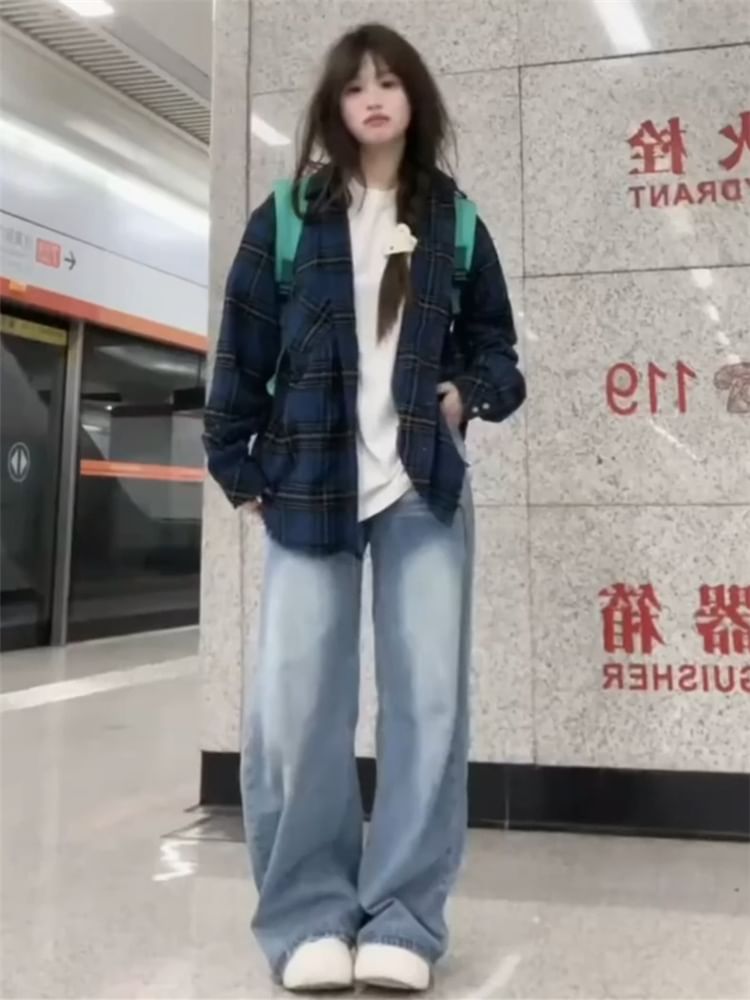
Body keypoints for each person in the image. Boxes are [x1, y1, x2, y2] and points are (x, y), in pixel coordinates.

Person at [203, 22, 525, 994]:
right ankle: (308, 914)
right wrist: (240, 469)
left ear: (413, 99)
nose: (373, 98)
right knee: (299, 704)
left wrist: (467, 395)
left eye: (389, 82)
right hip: (309, 484)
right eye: (355, 86)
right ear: (334, 107)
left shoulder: (453, 220)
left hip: (421, 484)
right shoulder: (289, 217)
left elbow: (498, 348)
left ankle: (404, 918)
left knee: (429, 702)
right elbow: (241, 349)